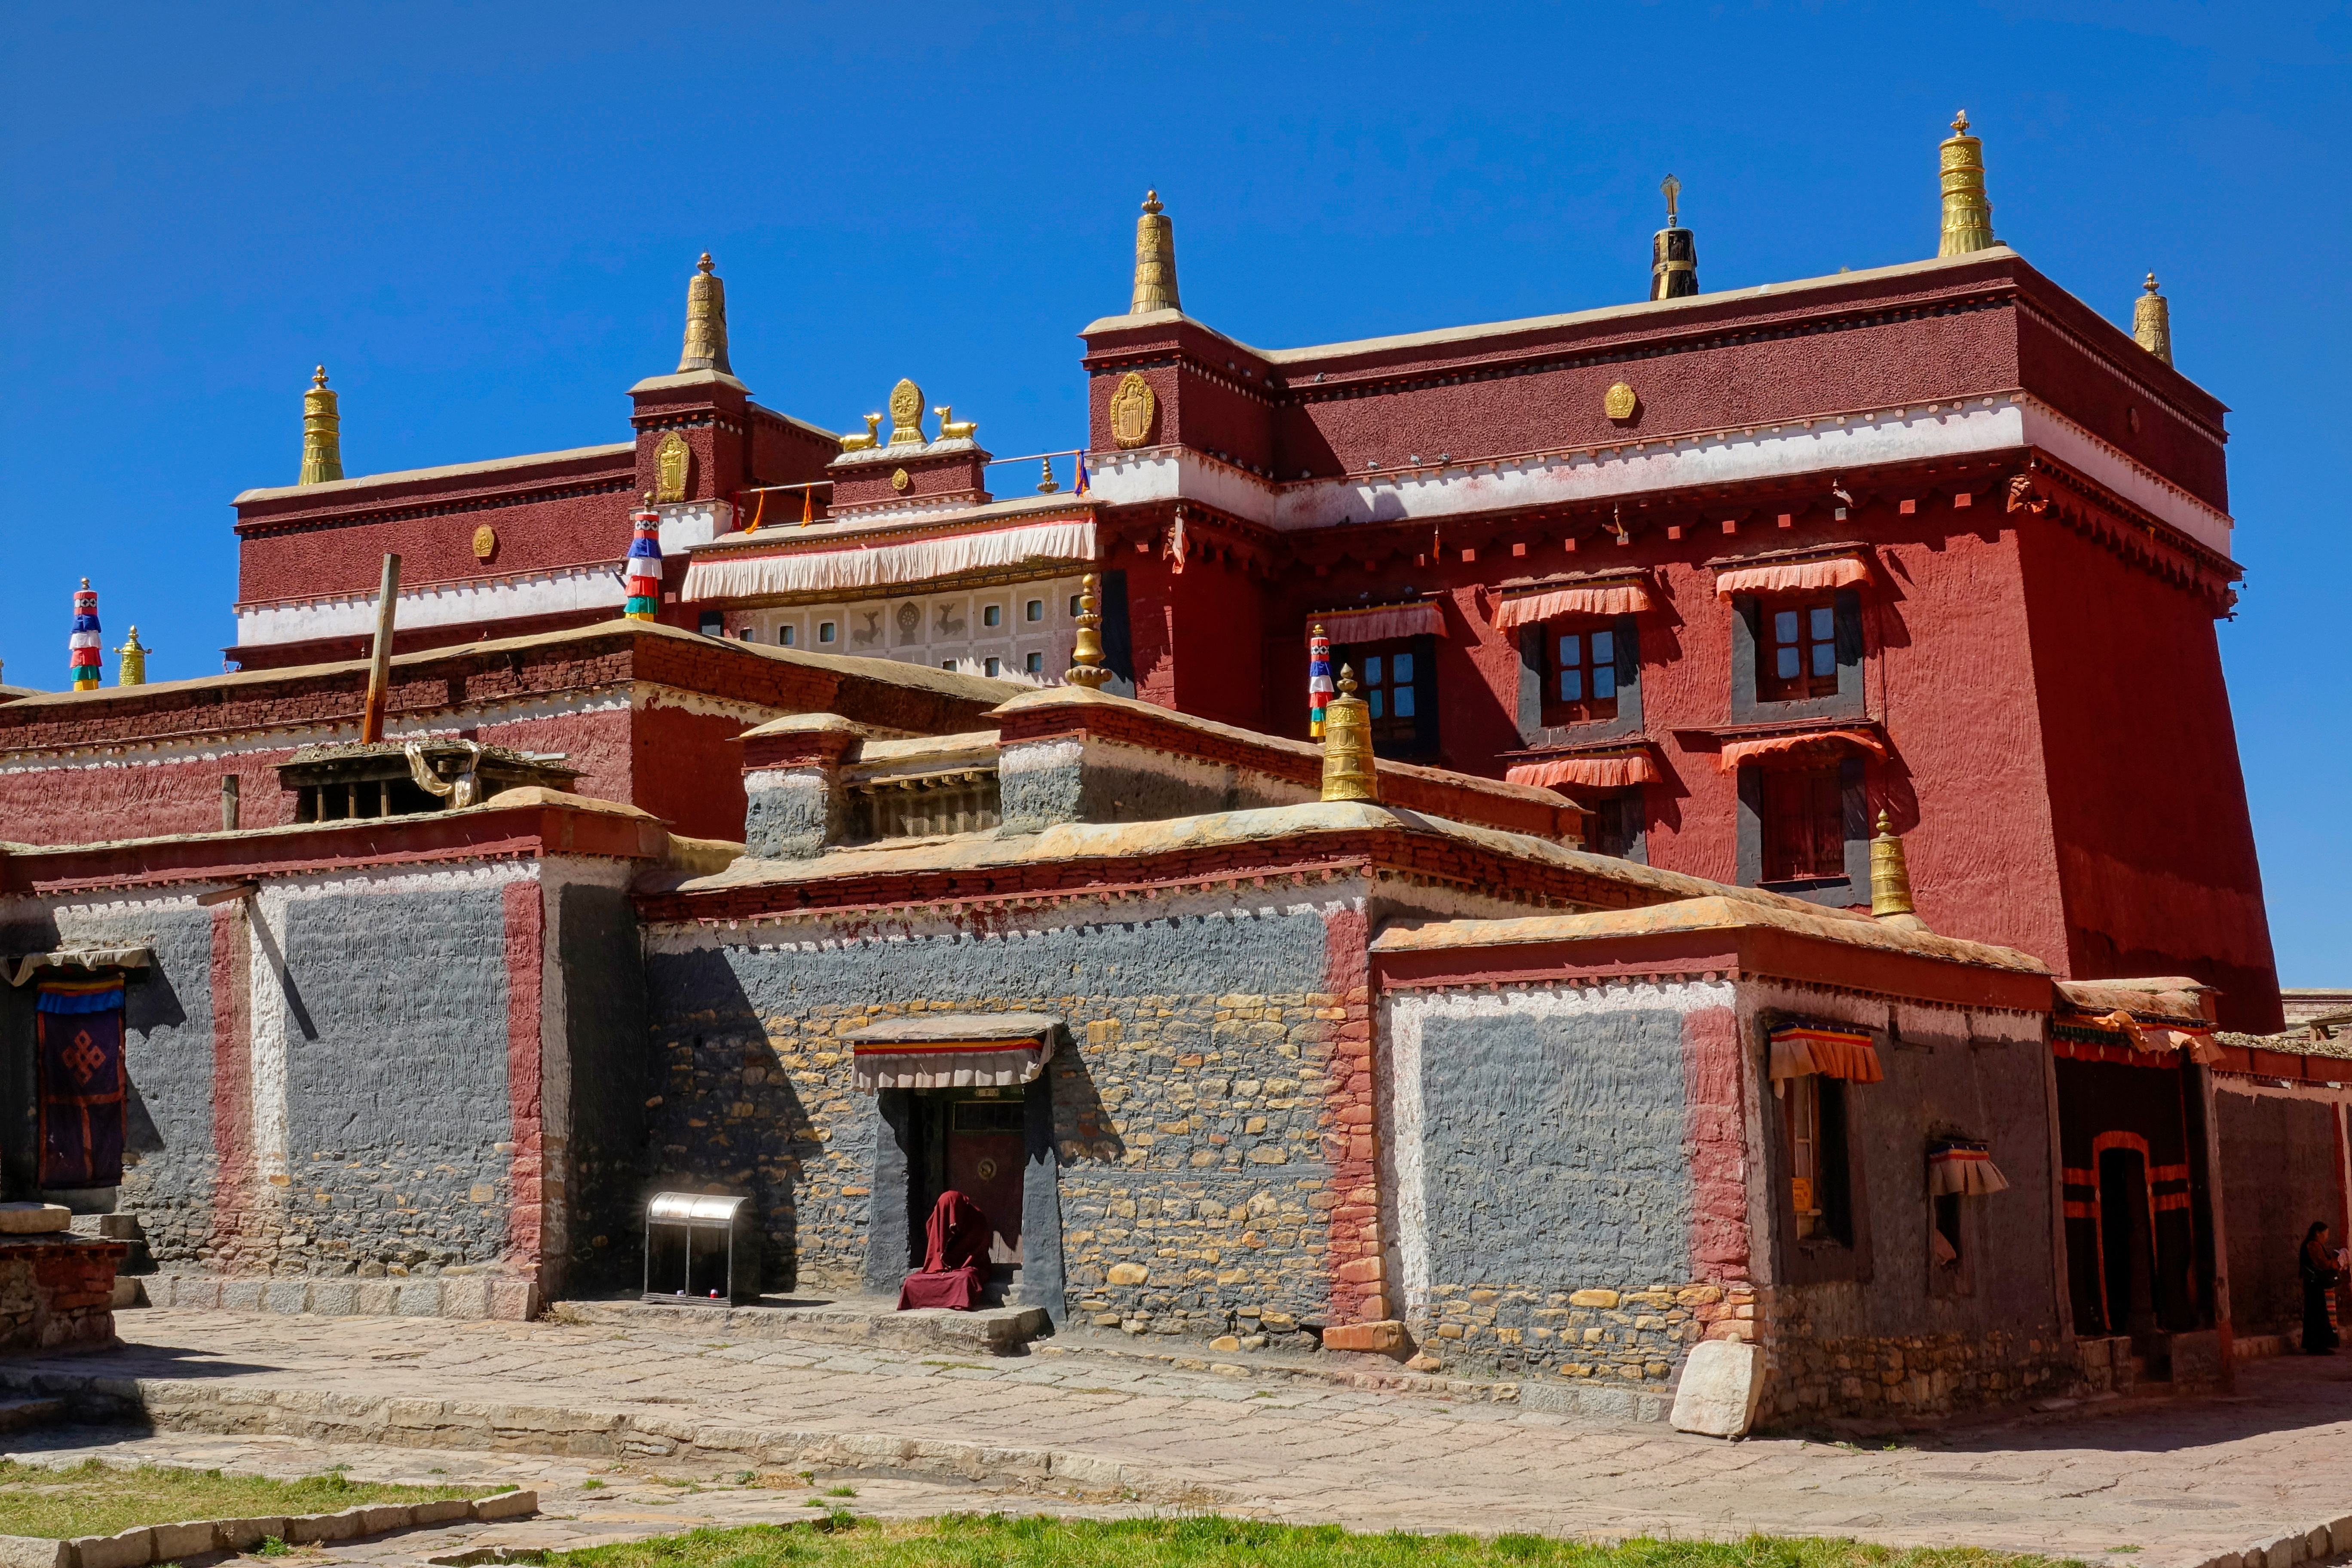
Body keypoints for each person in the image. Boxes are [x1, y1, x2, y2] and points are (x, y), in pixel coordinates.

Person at [2300, 1220, 2344, 1355]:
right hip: (2315, 1285)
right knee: (2318, 1315)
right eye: (2325, 1234)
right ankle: (2318, 1346)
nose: (2326, 1237)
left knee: (2316, 1315)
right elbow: (2323, 1264)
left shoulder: (2312, 1245)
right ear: (2318, 1234)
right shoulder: (2313, 1246)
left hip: (2314, 1285)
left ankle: (2316, 1346)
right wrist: (2337, 1262)